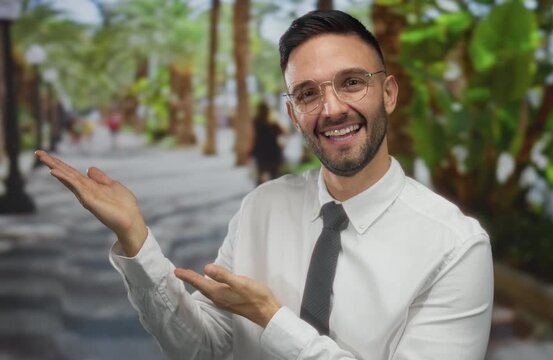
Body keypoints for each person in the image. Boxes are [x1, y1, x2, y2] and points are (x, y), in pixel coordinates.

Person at [35, 10, 493, 360]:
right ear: (293, 113)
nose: (331, 108)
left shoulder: (454, 247)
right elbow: (205, 347)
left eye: (352, 83)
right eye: (308, 93)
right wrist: (135, 239)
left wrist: (272, 321)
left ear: (388, 94)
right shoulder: (263, 207)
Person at [250, 101, 285, 185]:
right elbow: (284, 132)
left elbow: (251, 137)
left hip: (260, 152)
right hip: (274, 152)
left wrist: (250, 150)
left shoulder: (255, 122)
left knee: (260, 176)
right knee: (275, 177)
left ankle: (260, 195)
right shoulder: (273, 122)